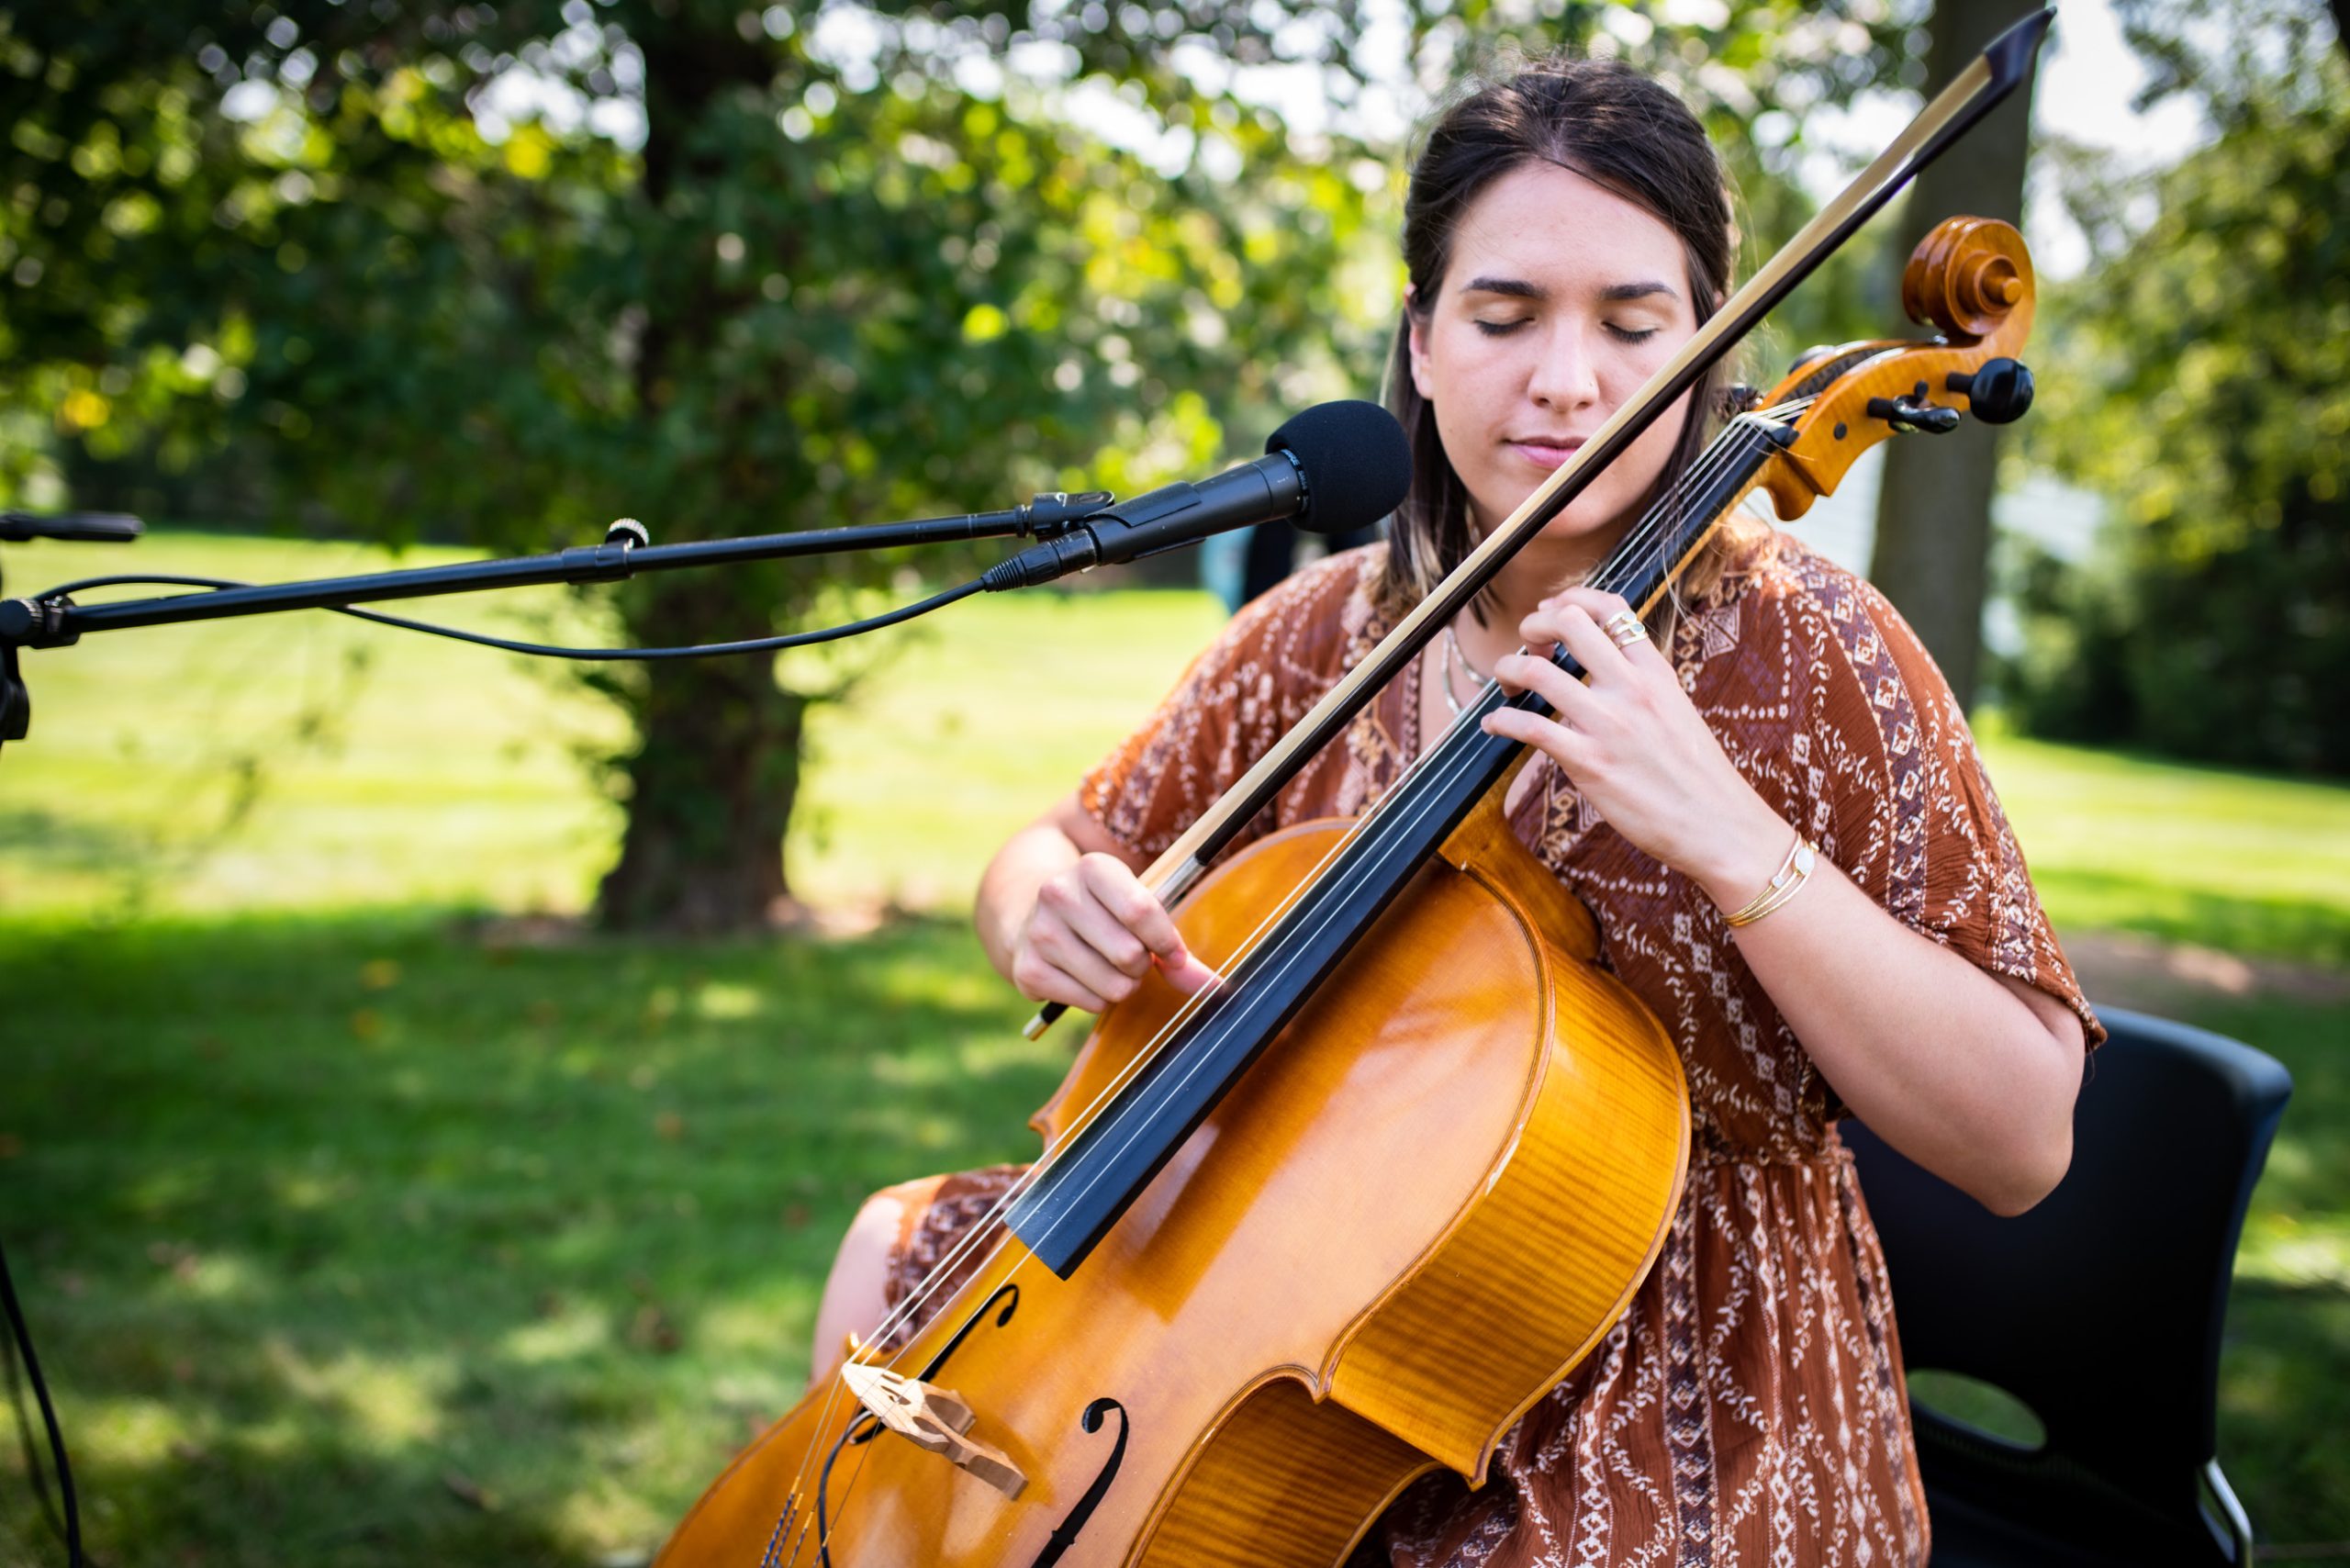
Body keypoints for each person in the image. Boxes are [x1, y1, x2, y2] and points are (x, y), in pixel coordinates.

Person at [808, 57, 2100, 1567]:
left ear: (1709, 351)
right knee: (896, 1265)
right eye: (1502, 319)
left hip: (1668, 1382)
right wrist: (1048, 912)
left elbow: (2025, 1133)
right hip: (1274, 1285)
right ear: (1420, 344)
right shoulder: (1332, 631)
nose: (1566, 381)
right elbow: (1061, 843)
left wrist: (1729, 835)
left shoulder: (1816, 657)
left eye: (1634, 324)